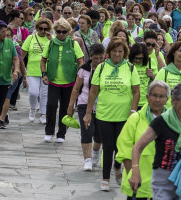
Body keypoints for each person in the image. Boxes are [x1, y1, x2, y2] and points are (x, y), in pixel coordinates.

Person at [115, 80, 168, 200]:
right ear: (147, 97)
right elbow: (124, 147)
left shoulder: (171, 119)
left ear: (167, 99)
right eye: (154, 95)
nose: (157, 99)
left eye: (162, 96)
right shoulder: (136, 119)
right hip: (138, 177)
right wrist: (131, 171)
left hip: (161, 179)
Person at [84, 37, 141, 191]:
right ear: (108, 52)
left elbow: (136, 91)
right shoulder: (101, 68)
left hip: (124, 115)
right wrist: (88, 113)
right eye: (114, 51)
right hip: (104, 114)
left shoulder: (130, 68)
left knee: (120, 147)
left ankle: (117, 166)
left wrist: (133, 111)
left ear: (125, 53)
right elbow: (93, 91)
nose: (117, 54)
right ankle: (105, 178)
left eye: (120, 51)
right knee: (108, 147)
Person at [40, 19, 84, 143]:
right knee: (51, 105)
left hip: (69, 81)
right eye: (58, 31)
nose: (61, 34)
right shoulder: (50, 44)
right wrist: (44, 74)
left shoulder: (73, 44)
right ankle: (49, 131)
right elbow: (43, 60)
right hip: (53, 80)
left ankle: (62, 134)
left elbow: (81, 60)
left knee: (65, 108)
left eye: (64, 32)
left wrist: (79, 74)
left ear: (68, 32)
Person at [66, 44, 105, 171]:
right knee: (87, 131)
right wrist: (71, 106)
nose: (98, 62)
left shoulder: (107, 69)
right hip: (84, 102)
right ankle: (87, 160)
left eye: (101, 58)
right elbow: (76, 88)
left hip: (102, 104)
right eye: (96, 59)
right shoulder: (84, 69)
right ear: (90, 57)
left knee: (99, 134)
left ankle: (95, 152)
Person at [21, 18, 53, 124]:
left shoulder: (51, 39)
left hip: (47, 71)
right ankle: (33, 108)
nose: (43, 31)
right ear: (37, 28)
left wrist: (51, 39)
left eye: (45, 29)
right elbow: (22, 54)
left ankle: (43, 113)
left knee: (44, 94)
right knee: (33, 92)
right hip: (32, 70)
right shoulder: (31, 38)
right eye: (40, 28)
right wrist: (19, 68)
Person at [0, 27, 28, 129]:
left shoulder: (16, 47)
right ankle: (4, 114)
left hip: (13, 75)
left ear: (12, 37)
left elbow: (21, 63)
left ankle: (1, 120)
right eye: (4, 35)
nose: (6, 37)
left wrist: (24, 77)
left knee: (7, 96)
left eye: (8, 35)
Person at [130, 43, 159, 110]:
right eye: (136, 58)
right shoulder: (129, 64)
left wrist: (152, 75)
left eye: (140, 58)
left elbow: (158, 81)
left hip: (146, 102)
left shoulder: (151, 62)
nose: (137, 60)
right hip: (131, 102)